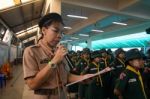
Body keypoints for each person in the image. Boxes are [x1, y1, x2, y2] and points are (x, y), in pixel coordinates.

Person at [23, 13, 92, 99]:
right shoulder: (31, 51)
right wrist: (54, 61)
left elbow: (66, 76)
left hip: (62, 95)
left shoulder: (59, 51)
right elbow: (32, 84)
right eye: (55, 31)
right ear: (44, 30)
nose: (59, 36)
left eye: (61, 32)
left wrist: (82, 78)